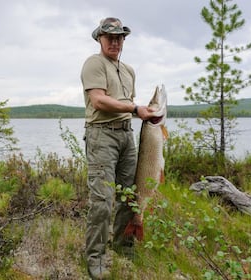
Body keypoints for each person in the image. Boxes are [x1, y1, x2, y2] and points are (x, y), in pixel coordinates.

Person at [80, 17, 155, 279]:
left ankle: (123, 247)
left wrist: (144, 113)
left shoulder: (129, 70)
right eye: (109, 36)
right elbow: (99, 101)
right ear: (99, 38)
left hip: (127, 136)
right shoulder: (94, 64)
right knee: (102, 201)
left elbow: (125, 105)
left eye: (119, 37)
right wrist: (135, 109)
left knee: (129, 194)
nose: (114, 41)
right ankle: (95, 258)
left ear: (124, 40)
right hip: (102, 136)